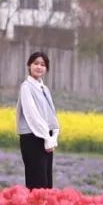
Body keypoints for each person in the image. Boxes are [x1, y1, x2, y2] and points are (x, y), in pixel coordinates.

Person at [17, 51, 60, 189]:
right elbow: (32, 115)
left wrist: (54, 135)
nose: (39, 67)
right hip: (32, 137)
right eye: (36, 63)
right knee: (37, 181)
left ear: (46, 69)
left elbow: (51, 113)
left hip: (46, 138)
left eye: (43, 64)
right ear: (29, 65)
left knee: (47, 182)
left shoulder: (44, 89)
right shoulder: (26, 87)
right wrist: (46, 136)